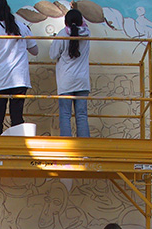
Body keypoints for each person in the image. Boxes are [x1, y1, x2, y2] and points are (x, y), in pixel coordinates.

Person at [0, 0, 39, 135]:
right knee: (17, 117)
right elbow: (35, 50)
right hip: (19, 80)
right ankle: (18, 151)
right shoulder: (22, 27)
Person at [49, 8, 91, 137]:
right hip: (82, 81)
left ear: (65, 22)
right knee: (82, 115)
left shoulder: (62, 34)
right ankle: (85, 151)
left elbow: (52, 55)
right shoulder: (87, 34)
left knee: (65, 115)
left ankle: (67, 149)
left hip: (66, 81)